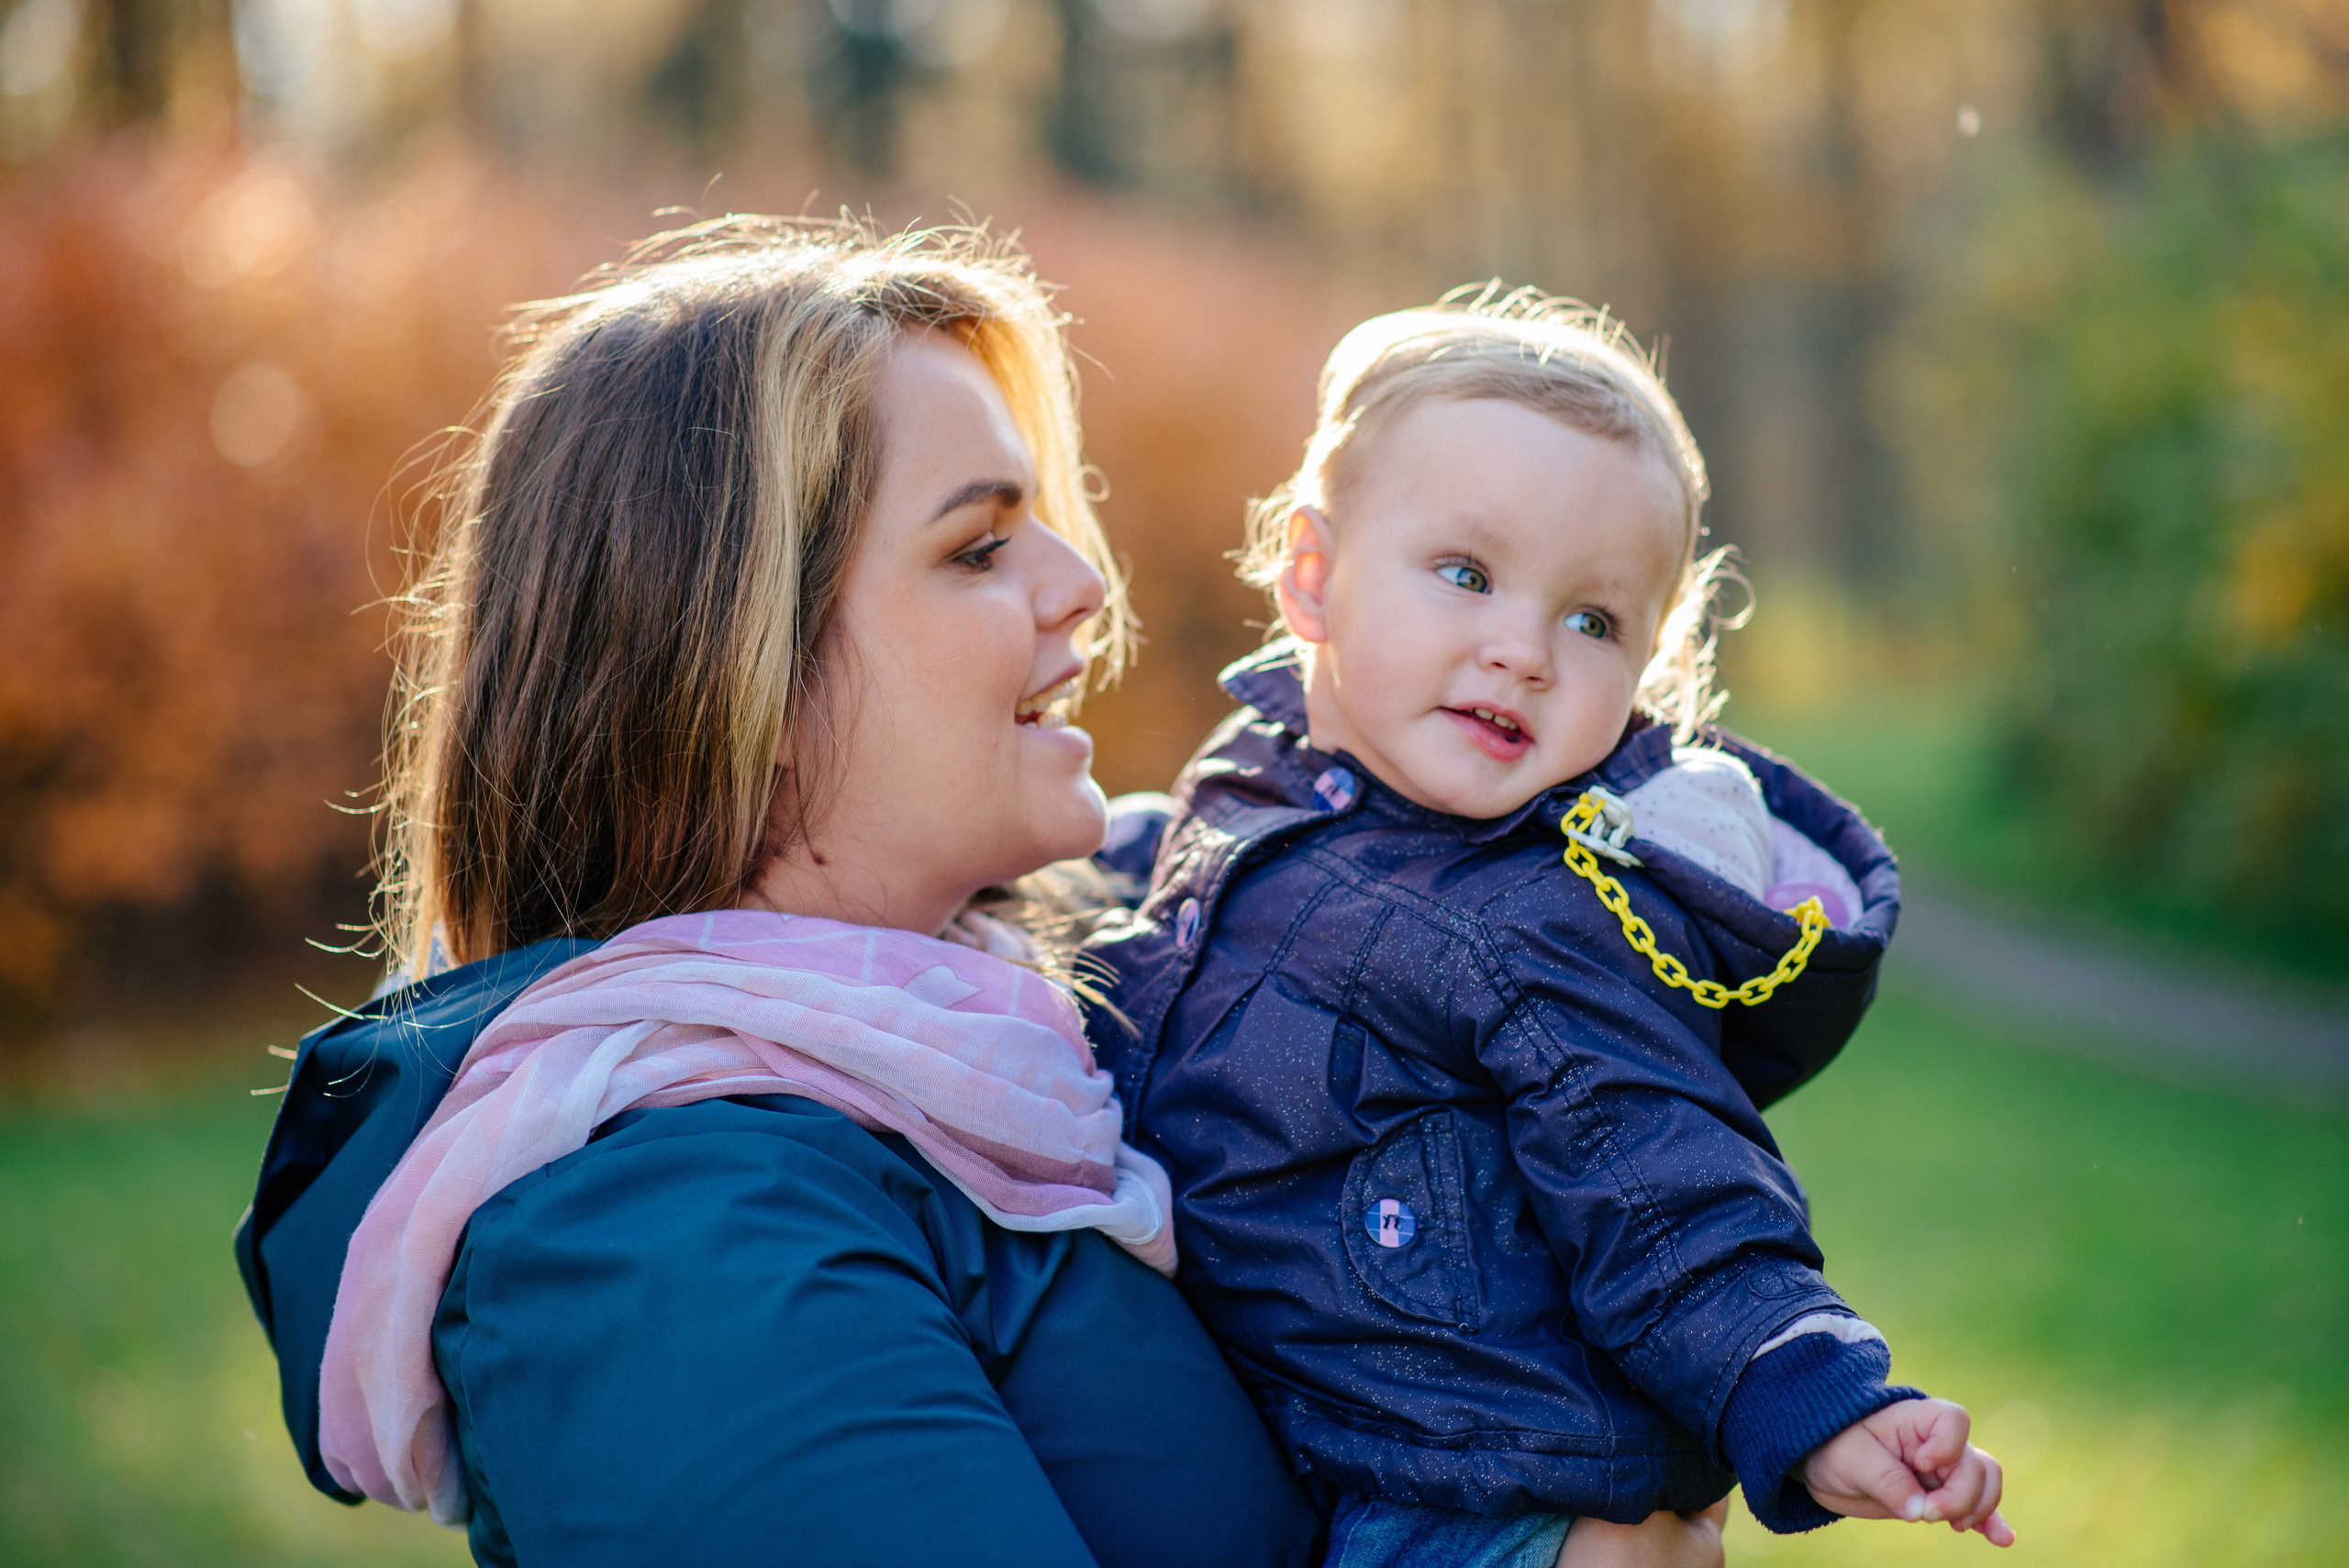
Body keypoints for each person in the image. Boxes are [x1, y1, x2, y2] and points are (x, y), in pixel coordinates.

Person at [234, 218, 1326, 1568]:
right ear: (742, 677)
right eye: (979, 547)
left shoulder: (1046, 987)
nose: (1083, 584)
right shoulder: (668, 1243)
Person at [1084, 291, 2016, 1567]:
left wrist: (1816, 1398)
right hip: (1307, 1434)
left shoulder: (1545, 920)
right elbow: (1186, 915)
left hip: (1471, 1500)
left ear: (1647, 671)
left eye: (1592, 620)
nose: (1523, 649)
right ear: (1312, 576)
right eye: (1467, 575)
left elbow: (1667, 1182)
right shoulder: (1255, 777)